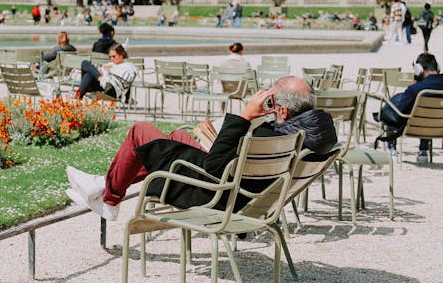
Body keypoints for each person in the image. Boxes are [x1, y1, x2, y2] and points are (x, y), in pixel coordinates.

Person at [66, 76, 337, 220]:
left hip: (212, 196)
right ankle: (102, 184)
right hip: (237, 193)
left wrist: (244, 117)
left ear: (280, 109)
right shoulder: (310, 135)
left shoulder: (273, 137)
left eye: (269, 97)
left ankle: (110, 200)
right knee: (173, 136)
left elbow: (214, 167)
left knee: (140, 131)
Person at [379, 52, 443, 164]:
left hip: (414, 127)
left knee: (392, 110)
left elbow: (400, 110)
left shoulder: (416, 89)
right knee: (426, 115)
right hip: (437, 127)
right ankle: (423, 151)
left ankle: (392, 150)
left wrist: (412, 87)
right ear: (438, 68)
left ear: (419, 69)